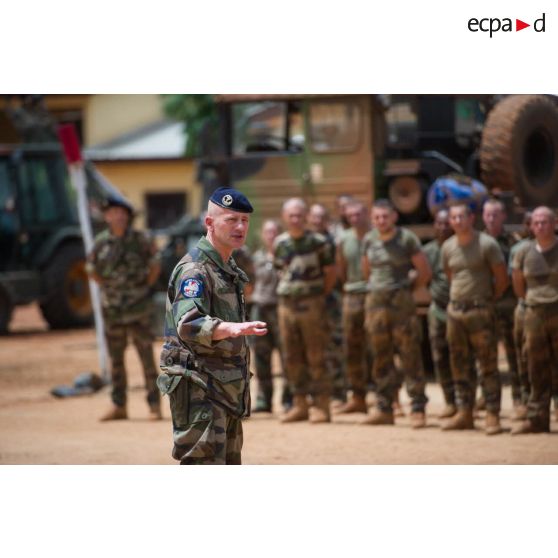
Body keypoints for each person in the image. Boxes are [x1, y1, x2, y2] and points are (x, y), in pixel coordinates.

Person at [157, 187, 267, 465]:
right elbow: (188, 323)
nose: (240, 227)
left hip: (223, 389)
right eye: (231, 220)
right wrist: (230, 329)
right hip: (200, 391)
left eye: (244, 220)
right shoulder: (196, 270)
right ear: (209, 223)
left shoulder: (225, 266)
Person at [86, 197, 162, 421]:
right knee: (116, 360)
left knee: (146, 358)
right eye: (113, 212)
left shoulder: (140, 240)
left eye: (122, 212)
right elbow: (91, 270)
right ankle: (119, 405)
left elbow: (155, 264)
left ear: (127, 216)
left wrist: (144, 287)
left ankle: (154, 405)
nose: (118, 216)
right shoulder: (101, 242)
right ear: (107, 216)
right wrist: (111, 289)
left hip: (139, 308)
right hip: (113, 310)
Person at [361, 199, 431, 428]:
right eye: (377, 217)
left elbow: (423, 271)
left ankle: (417, 407)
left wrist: (406, 290)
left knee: (410, 355)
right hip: (376, 306)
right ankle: (384, 407)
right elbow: (366, 271)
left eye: (385, 216)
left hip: (401, 305)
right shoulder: (369, 240)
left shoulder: (407, 239)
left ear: (394, 217)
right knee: (380, 357)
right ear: (372, 220)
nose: (381, 221)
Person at [441, 203, 508, 435]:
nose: (457, 221)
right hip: (456, 312)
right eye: (454, 217)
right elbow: (451, 276)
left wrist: (486, 299)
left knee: (488, 363)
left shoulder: (487, 244)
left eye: (462, 216)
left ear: (471, 218)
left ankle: (492, 413)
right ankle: (465, 413)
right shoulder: (448, 247)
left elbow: (501, 279)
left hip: (480, 311)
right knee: (459, 364)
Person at [274, 198, 336, 423]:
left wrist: (318, 294)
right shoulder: (280, 243)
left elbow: (330, 272)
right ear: (284, 217)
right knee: (291, 355)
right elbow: (280, 270)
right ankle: (299, 403)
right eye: (291, 215)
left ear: (306, 216)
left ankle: (321, 405)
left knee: (316, 354)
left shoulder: (319, 242)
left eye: (299, 215)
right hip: (287, 305)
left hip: (312, 305)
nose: (295, 220)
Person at [511, 207, 558, 434]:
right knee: (535, 367)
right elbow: (518, 284)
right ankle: (537, 418)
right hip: (534, 314)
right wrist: (531, 302)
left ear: (555, 223)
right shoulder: (524, 251)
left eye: (545, 222)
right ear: (531, 226)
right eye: (537, 222)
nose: (540, 226)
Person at [482, 199, 523, 417]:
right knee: (484, 355)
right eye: (487, 214)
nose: (491, 218)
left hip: (507, 305)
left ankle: (518, 398)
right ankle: (485, 398)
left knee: (514, 354)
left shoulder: (513, 242)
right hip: (485, 307)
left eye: (495, 214)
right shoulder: (476, 240)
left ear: (504, 217)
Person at [334, 200, 373, 414]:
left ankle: (391, 399)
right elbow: (341, 271)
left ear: (366, 212)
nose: (355, 219)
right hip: (351, 296)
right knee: (352, 348)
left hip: (373, 296)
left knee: (379, 348)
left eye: (358, 214)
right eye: (351, 216)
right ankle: (358, 397)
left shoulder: (376, 236)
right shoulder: (343, 240)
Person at [423, 209, 463, 418]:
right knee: (440, 358)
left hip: (460, 310)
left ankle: (466, 402)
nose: (442, 227)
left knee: (462, 356)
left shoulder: (462, 246)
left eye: (446, 223)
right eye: (438, 224)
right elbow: (424, 275)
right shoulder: (429, 251)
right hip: (437, 311)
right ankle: (450, 401)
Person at [308, 203, 346, 404]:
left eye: (321, 218)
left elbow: (334, 273)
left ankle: (339, 393)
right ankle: (317, 393)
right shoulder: (305, 240)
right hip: (308, 303)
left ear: (327, 221)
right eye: (314, 217)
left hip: (328, 300)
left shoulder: (332, 242)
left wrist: (323, 292)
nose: (317, 221)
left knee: (333, 346)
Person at [250, 219, 284, 413]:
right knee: (261, 358)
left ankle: (289, 399)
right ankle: (264, 399)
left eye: (275, 232)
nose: (271, 236)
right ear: (263, 235)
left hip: (281, 309)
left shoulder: (286, 257)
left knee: (287, 355)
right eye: (268, 232)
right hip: (261, 309)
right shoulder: (256, 258)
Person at [508, 211, 534, 421]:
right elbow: (514, 280)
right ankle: (525, 401)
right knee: (523, 357)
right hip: (528, 308)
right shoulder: (519, 250)